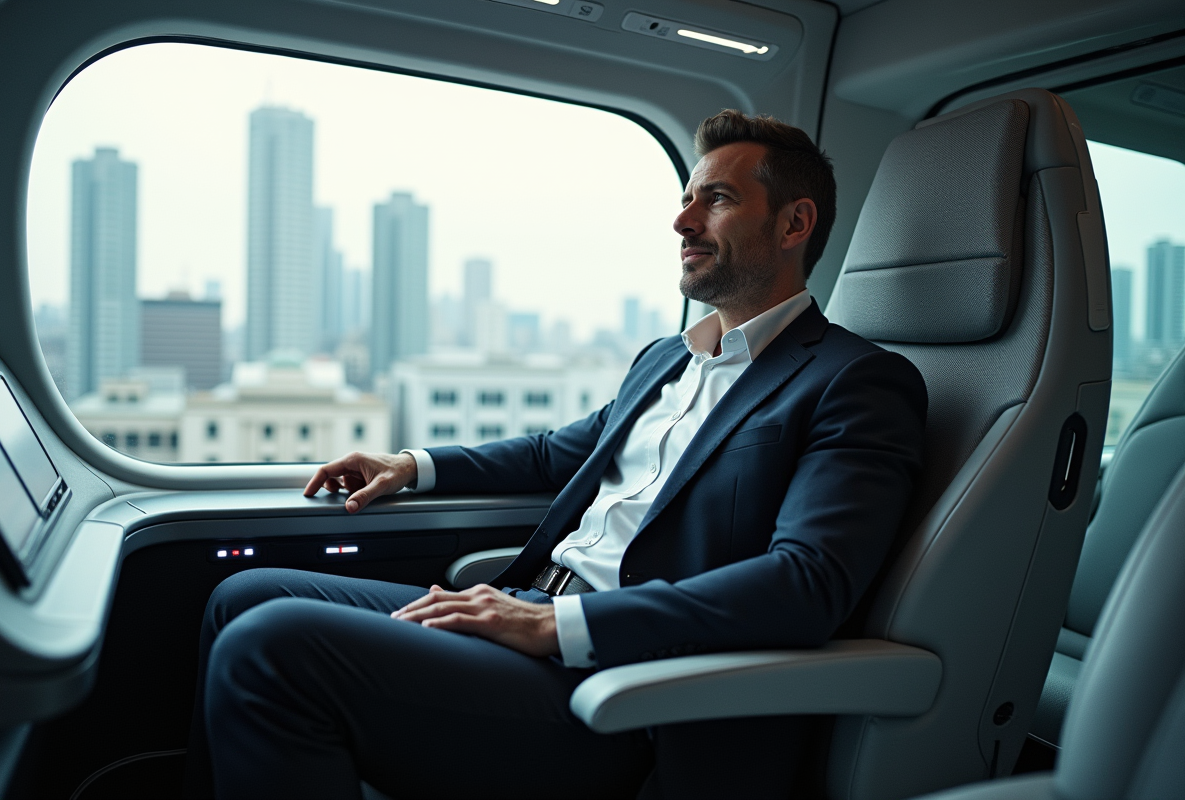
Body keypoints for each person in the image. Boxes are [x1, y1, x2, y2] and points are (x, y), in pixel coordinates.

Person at [184, 110, 927, 799]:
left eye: (718, 200)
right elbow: (555, 454)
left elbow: (808, 583)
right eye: (686, 197)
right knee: (242, 597)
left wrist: (557, 628)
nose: (682, 220)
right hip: (539, 612)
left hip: (632, 684)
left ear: (795, 222)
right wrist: (411, 466)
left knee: (272, 645)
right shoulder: (668, 359)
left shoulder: (854, 380)